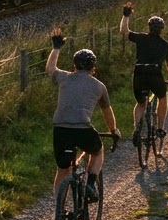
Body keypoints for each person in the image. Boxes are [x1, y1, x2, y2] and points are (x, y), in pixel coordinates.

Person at [46, 29, 120, 200]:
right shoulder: (99, 86)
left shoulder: (64, 78)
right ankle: (90, 184)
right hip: (82, 129)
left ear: (75, 65)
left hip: (60, 129)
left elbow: (50, 68)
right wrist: (113, 130)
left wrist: (56, 47)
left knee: (62, 170)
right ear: (93, 68)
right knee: (98, 150)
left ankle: (60, 213)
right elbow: (107, 113)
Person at [120, 4, 168, 146]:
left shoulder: (141, 38)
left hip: (139, 72)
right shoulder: (166, 45)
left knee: (141, 103)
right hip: (155, 74)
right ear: (161, 30)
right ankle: (160, 128)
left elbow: (124, 31)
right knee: (162, 98)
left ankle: (137, 129)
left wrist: (126, 16)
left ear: (149, 28)